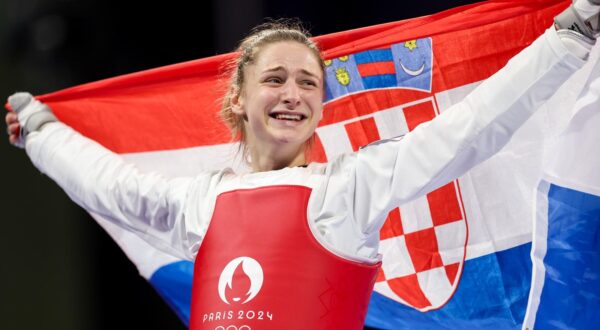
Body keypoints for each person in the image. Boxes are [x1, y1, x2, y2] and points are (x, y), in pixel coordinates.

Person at [5, 2, 600, 329]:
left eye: (308, 83)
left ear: (319, 106)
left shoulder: (345, 189)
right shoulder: (199, 204)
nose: (293, 93)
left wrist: (566, 38)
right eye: (275, 79)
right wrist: (41, 133)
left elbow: (466, 131)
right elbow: (107, 185)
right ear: (237, 98)